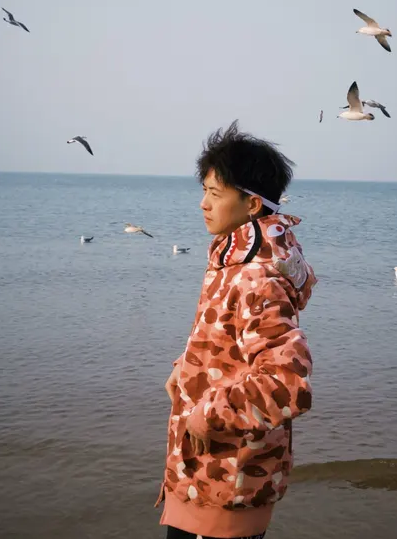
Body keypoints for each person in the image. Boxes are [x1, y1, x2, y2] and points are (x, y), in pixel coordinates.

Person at [157, 122, 316, 539]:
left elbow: (286, 382)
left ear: (252, 204)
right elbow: (230, 340)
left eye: (215, 193)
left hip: (226, 484)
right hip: (210, 480)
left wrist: (207, 414)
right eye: (204, 191)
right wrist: (187, 367)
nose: (203, 204)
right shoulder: (235, 259)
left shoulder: (256, 277)